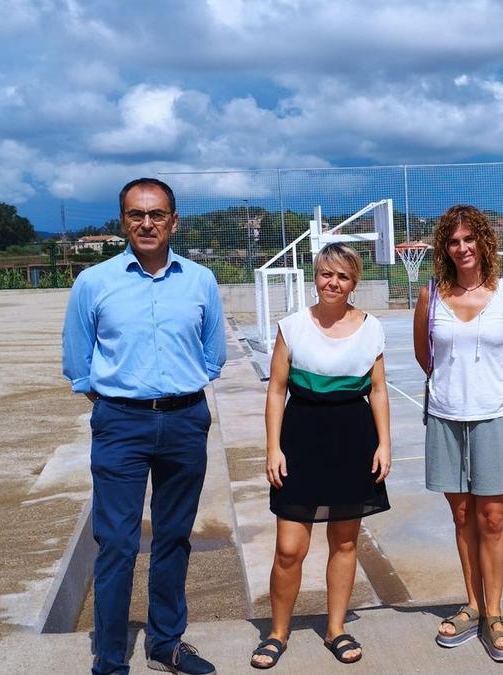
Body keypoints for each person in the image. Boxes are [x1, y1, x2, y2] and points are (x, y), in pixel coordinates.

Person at [62, 177, 226, 675]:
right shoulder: (94, 283)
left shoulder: (200, 280)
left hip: (184, 420)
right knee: (116, 543)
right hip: (120, 424)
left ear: (174, 221)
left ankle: (165, 644)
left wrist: (175, 392)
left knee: (174, 536)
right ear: (123, 222)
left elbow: (213, 355)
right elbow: (78, 362)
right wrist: (120, 399)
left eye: (157, 214)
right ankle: (110, 659)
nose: (147, 223)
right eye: (137, 214)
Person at [248, 243, 392, 669]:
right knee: (290, 548)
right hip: (301, 437)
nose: (333, 282)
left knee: (345, 541)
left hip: (353, 438)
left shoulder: (372, 328)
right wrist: (273, 447)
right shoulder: (292, 327)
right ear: (315, 276)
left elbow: (379, 389)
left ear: (354, 282)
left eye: (343, 276)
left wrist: (385, 443)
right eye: (326, 273)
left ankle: (336, 628)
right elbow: (276, 390)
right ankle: (277, 633)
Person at [413, 204, 503, 662]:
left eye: (469, 239)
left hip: (495, 417)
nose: (462, 248)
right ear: (445, 247)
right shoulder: (431, 295)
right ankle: (472, 603)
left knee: (493, 519)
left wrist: (491, 389)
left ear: (483, 242)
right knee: (462, 517)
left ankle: (495, 612)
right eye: (453, 241)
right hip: (445, 417)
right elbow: (426, 356)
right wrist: (455, 388)